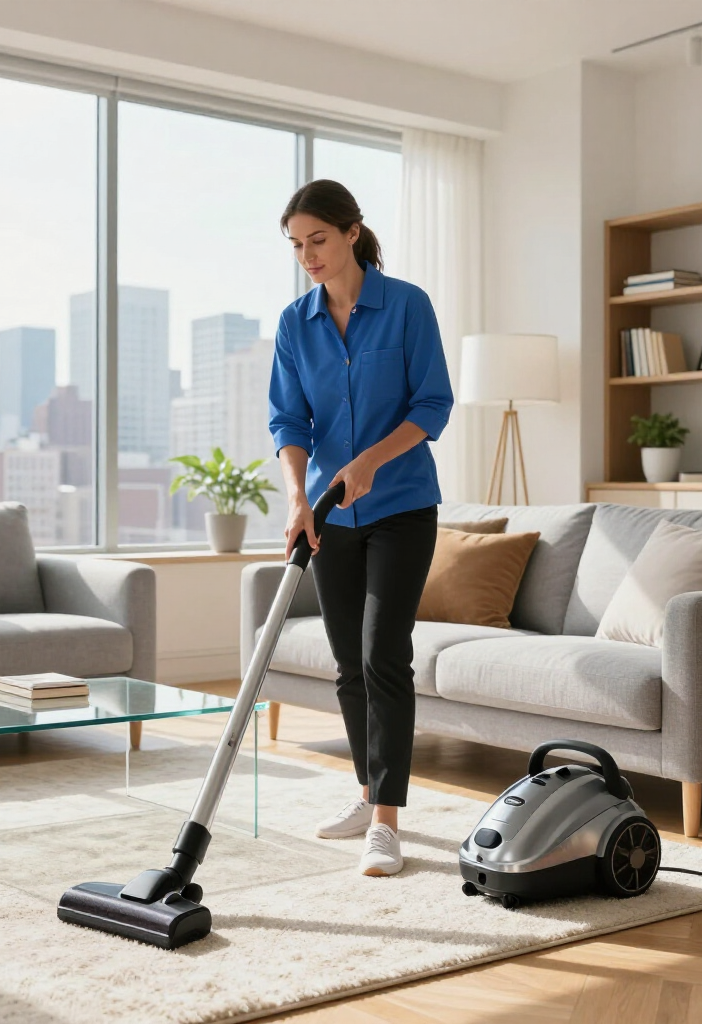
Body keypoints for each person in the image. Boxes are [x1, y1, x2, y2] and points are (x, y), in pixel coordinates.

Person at [269, 179, 454, 877]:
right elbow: (290, 420)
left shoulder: (406, 306)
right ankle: (367, 791)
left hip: (402, 505)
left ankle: (386, 822)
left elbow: (432, 403)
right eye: (296, 245)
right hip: (329, 513)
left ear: (352, 232)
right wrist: (298, 499)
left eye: (318, 239)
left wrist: (372, 460)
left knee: (383, 654)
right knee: (348, 662)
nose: (308, 256)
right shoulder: (296, 323)